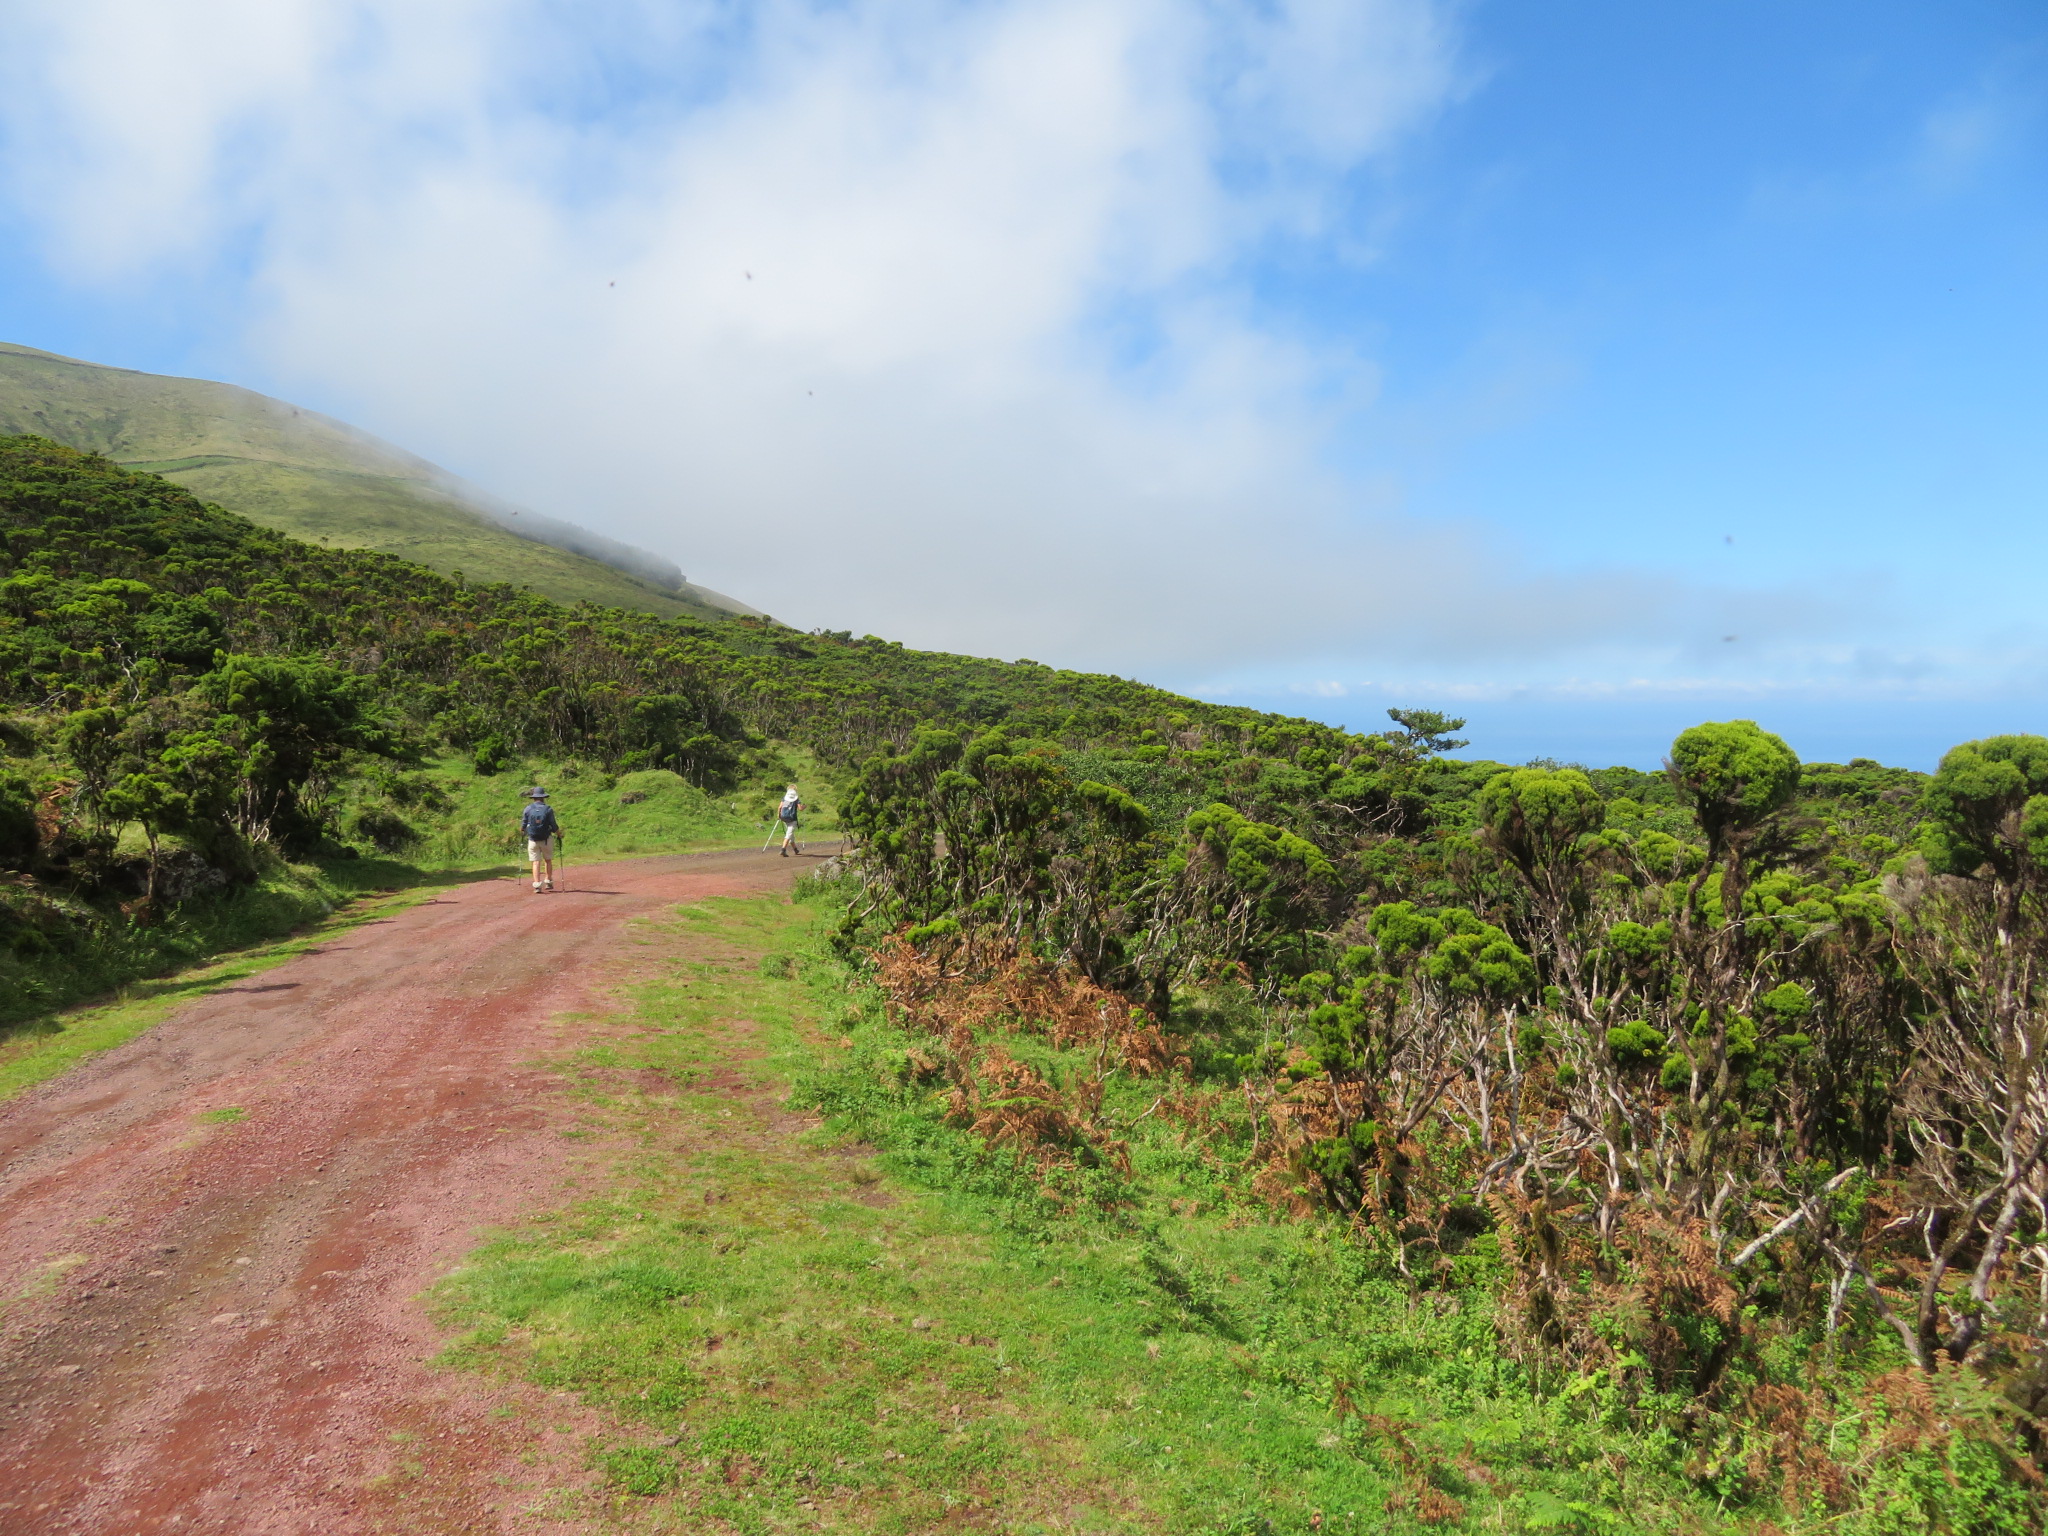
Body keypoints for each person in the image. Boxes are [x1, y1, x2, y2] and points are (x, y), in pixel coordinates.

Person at [521, 787, 561, 892]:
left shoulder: (528, 809)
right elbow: (553, 824)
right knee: (548, 860)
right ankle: (548, 881)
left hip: (533, 839)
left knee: (535, 862)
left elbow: (523, 825)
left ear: (533, 798)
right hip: (546, 839)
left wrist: (523, 832)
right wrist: (558, 833)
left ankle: (537, 885)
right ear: (543, 797)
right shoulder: (548, 809)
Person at [772, 785, 802, 857]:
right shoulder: (796, 799)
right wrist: (805, 806)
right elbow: (800, 809)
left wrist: (779, 816)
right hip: (792, 819)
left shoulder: (784, 798)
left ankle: (795, 849)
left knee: (790, 833)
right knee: (788, 834)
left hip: (785, 818)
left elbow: (779, 807)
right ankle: (783, 849)